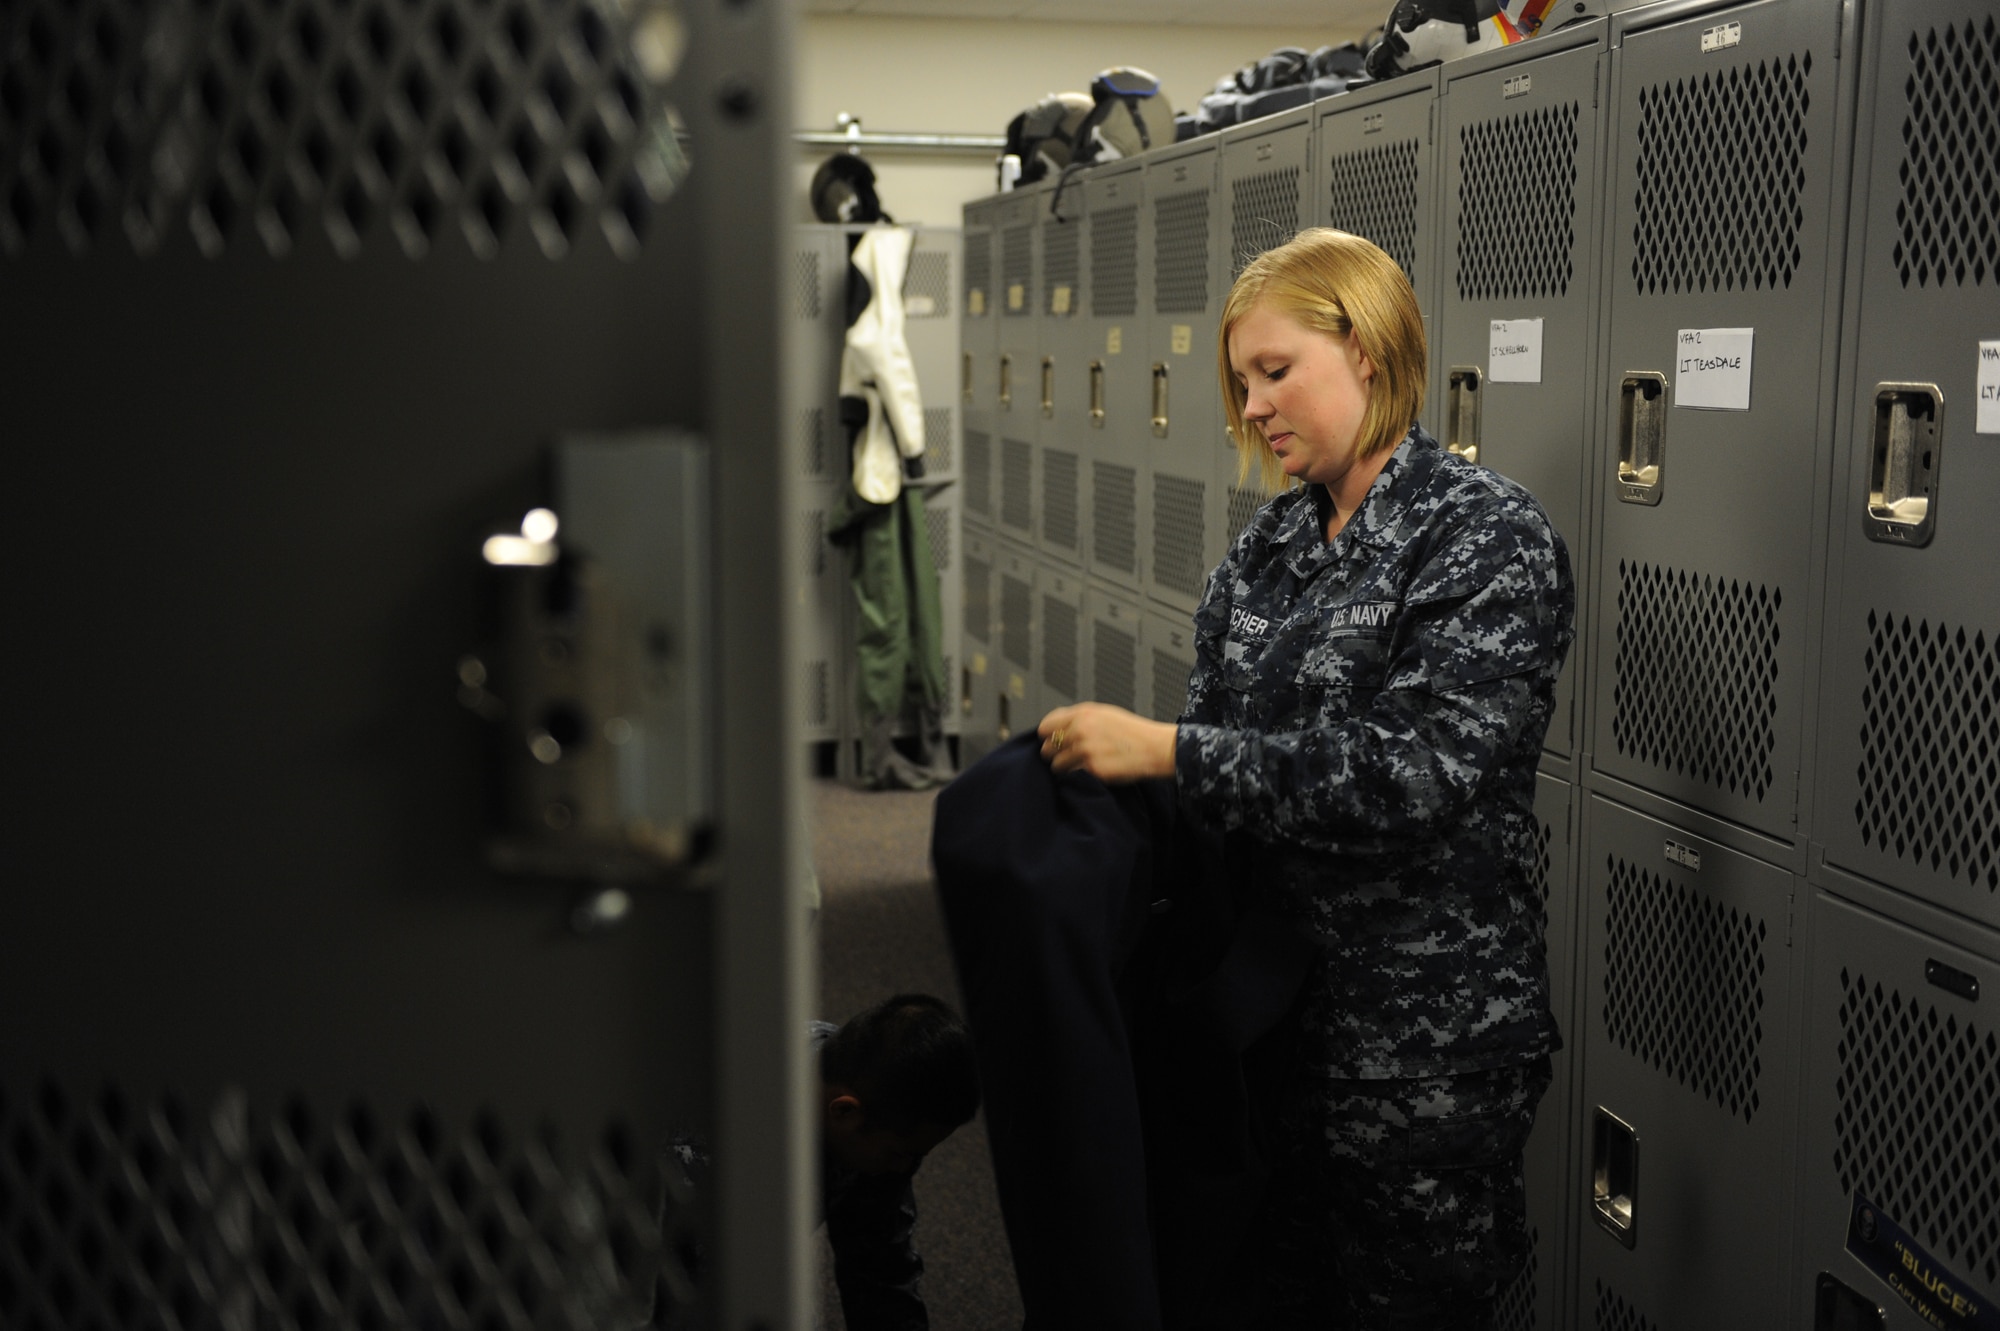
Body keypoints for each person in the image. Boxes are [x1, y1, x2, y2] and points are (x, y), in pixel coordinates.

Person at [1036, 228, 1574, 1328]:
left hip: (1421, 1050)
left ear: (1367, 350)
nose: (1253, 407)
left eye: (1275, 372)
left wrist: (1170, 751)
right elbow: (1213, 776)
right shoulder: (1267, 548)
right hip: (1268, 1026)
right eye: (1241, 382)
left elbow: (1416, 770)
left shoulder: (1480, 534)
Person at [662, 994, 979, 1331]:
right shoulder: (724, 1142)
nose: (904, 1168)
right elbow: (690, 1287)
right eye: (900, 1154)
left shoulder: (866, 1087)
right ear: (844, 1111)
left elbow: (880, 1264)